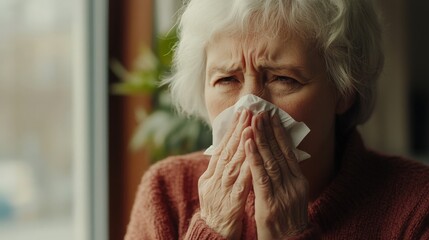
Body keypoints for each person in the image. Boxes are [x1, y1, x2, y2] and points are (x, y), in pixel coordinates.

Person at [125, 0, 429, 239]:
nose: (250, 108)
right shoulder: (167, 192)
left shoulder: (416, 205)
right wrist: (211, 228)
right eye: (228, 79)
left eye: (283, 79)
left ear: (345, 91)